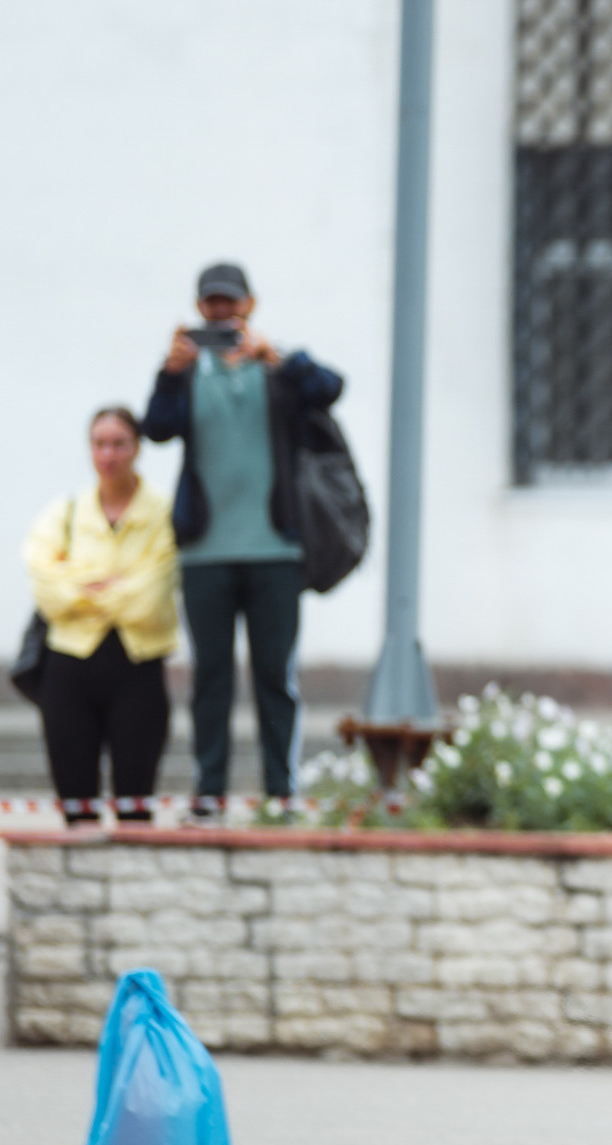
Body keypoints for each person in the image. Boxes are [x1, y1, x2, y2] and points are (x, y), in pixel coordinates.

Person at [143, 262, 343, 813]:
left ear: (250, 305)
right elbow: (156, 428)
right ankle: (210, 790)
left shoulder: (277, 370)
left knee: (274, 676)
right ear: (198, 308)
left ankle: (281, 790)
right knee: (210, 677)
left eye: (230, 303)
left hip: (275, 550)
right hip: (206, 552)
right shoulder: (188, 372)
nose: (221, 312)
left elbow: (330, 389)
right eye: (211, 304)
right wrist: (167, 371)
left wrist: (279, 357)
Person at [24, 408, 178, 824]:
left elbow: (152, 593)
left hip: (137, 664)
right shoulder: (68, 511)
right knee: (77, 806)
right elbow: (45, 584)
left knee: (135, 804)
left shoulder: (164, 511)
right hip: (69, 665)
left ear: (137, 448)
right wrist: (114, 586)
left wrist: (82, 589)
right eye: (99, 444)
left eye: (119, 443)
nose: (108, 454)